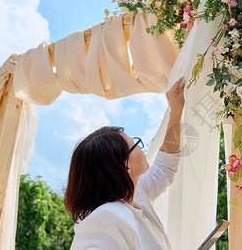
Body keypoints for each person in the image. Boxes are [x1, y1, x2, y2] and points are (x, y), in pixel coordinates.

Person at [65, 77, 186, 250]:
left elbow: (165, 166)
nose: (141, 148)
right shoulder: (105, 218)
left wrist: (176, 110)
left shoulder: (133, 198)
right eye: (135, 144)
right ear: (125, 167)